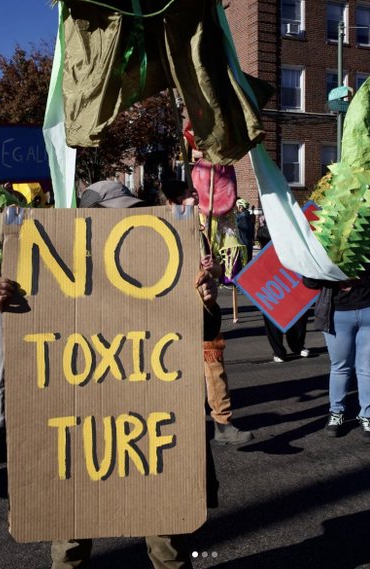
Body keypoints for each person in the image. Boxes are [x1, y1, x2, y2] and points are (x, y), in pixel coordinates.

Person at [47, 179, 224, 569]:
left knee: (166, 532)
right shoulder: (57, 273)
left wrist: (206, 303)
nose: (123, 224)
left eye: (131, 215)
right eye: (113, 216)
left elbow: (204, 331)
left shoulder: (161, 265)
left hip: (151, 418)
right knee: (72, 529)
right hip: (85, 418)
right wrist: (6, 300)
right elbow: (33, 337)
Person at [160, 179, 253, 445]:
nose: (195, 197)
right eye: (187, 194)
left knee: (215, 370)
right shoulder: (161, 231)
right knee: (175, 373)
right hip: (173, 317)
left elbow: (220, 273)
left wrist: (213, 269)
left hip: (206, 313)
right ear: (173, 203)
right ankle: (179, 428)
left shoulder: (200, 232)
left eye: (193, 192)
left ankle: (223, 425)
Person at [301, 227, 370, 444]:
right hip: (338, 314)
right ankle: (336, 413)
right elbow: (310, 282)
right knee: (340, 366)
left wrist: (365, 272)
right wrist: (330, 272)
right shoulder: (325, 239)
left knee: (368, 368)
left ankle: (367, 416)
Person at [255, 223, 310, 362]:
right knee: (272, 314)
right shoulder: (265, 237)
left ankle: (296, 345)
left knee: (298, 312)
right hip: (271, 284)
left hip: (290, 278)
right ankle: (279, 351)